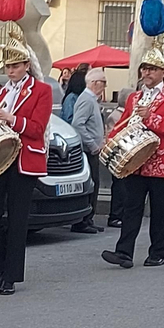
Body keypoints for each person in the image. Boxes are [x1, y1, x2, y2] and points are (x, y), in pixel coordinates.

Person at [100, 40, 164, 268]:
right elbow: (123, 123)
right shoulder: (134, 98)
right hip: (135, 162)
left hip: (161, 161)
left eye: (152, 69)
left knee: (159, 211)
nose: (146, 73)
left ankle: (158, 252)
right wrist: (111, 139)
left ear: (162, 72)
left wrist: (151, 117)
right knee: (131, 208)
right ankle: (124, 253)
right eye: (144, 68)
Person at [0, 28, 50, 295]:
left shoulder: (41, 91)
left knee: (18, 218)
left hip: (24, 159)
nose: (10, 71)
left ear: (27, 65)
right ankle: (1, 269)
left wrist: (11, 120)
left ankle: (11, 275)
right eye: (8, 66)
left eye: (15, 66)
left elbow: (37, 128)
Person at [64, 64, 104, 234]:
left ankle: (88, 218)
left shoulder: (90, 99)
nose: (104, 86)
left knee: (94, 184)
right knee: (92, 184)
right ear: (94, 83)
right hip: (88, 150)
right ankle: (84, 220)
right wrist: (93, 145)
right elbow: (78, 123)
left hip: (91, 148)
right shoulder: (87, 100)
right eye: (103, 82)